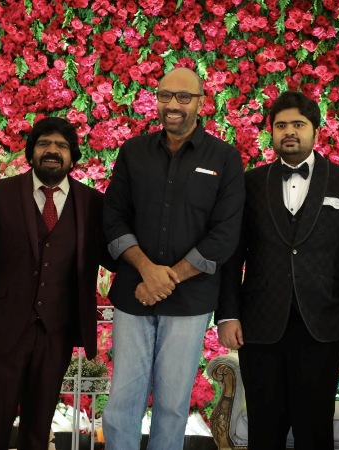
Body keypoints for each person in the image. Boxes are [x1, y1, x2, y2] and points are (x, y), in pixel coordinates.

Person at [217, 90, 339, 450]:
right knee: (264, 427)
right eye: (281, 125)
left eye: (298, 124)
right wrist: (227, 315)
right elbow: (231, 254)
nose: (289, 131)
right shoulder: (248, 184)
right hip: (259, 324)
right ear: (272, 132)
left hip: (324, 323)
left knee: (314, 426)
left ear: (315, 130)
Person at [101, 67, 245, 450]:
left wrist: (169, 279)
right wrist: (147, 270)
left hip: (190, 300)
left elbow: (225, 234)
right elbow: (113, 217)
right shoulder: (133, 152)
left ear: (201, 102)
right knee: (121, 402)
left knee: (172, 405)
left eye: (183, 97)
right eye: (165, 95)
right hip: (134, 293)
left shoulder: (225, 158)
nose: (173, 105)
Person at [0, 117, 114, 450]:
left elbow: (111, 254)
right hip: (1, 331)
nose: (52, 151)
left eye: (61, 146)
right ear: (31, 153)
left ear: (72, 156)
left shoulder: (92, 202)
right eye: (44, 144)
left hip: (56, 333)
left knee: (38, 429)